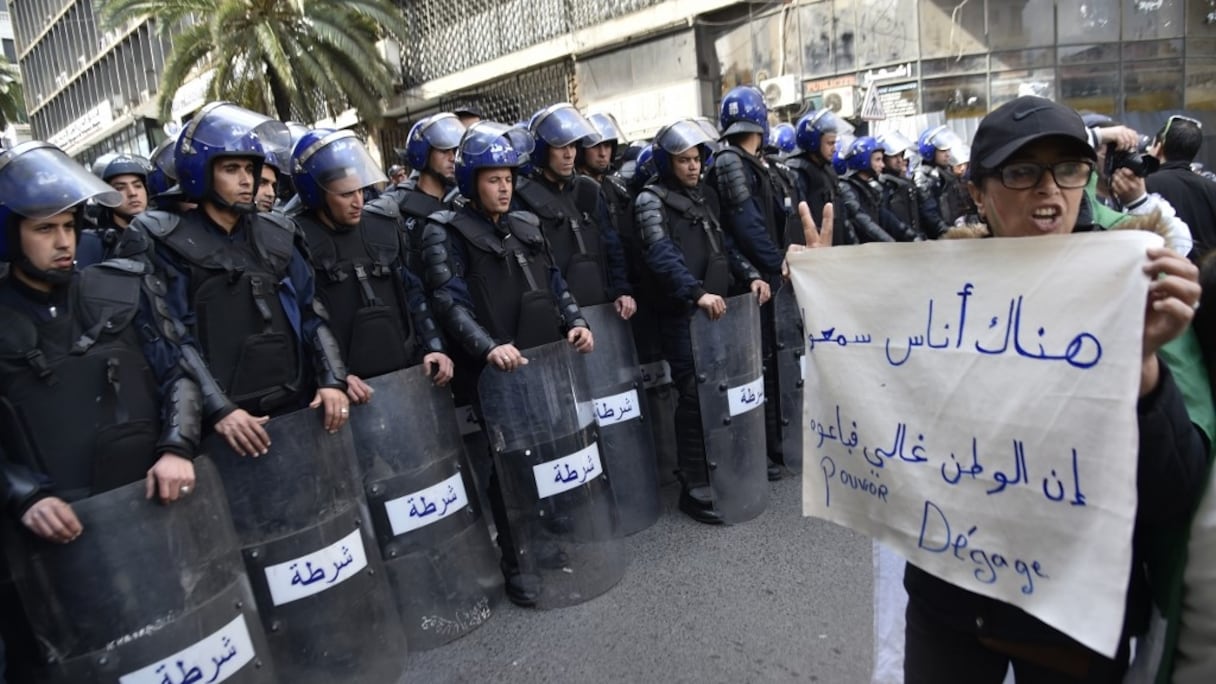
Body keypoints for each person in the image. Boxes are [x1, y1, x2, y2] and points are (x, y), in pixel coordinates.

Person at [902, 95, 1206, 683]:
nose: (1050, 190)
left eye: (1069, 169)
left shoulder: (1139, 282)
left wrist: (1143, 366)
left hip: (1071, 619)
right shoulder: (938, 290)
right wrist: (834, 298)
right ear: (978, 192)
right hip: (950, 603)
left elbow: (1179, 491)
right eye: (1022, 171)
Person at [0, 142, 201, 681]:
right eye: (45, 229)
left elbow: (177, 371)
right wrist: (23, 493)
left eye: (68, 225)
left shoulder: (119, 286)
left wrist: (176, 446)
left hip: (149, 504)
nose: (64, 240)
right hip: (59, 535)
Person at [418, 122, 593, 605]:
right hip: (497, 373)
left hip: (544, 362)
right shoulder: (444, 231)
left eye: (509, 179)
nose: (504, 187)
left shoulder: (526, 225)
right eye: (493, 179)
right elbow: (448, 303)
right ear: (472, 180)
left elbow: (555, 284)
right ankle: (518, 560)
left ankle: (547, 541)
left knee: (550, 454)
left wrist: (575, 322)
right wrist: (488, 347)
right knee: (510, 465)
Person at [128, 102, 351, 459]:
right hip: (227, 429)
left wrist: (333, 380)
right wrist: (219, 409)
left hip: (298, 409)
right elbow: (171, 338)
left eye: (250, 168)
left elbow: (312, 312)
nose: (247, 180)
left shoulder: (279, 232)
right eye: (232, 169)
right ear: (201, 171)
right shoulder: (163, 239)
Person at [634, 119, 770, 523]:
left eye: (696, 159)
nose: (693, 167)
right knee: (694, 396)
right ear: (666, 161)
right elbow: (660, 255)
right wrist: (696, 293)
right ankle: (694, 483)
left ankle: (720, 469)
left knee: (720, 392)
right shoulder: (650, 200)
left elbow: (723, 246)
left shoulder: (703, 197)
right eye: (683, 160)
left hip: (719, 313)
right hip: (683, 316)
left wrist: (750, 275)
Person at [291, 127, 453, 398]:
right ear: (316, 194)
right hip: (350, 392)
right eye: (345, 194)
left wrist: (434, 347)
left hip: (407, 378)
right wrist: (334, 377)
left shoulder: (384, 225)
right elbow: (305, 321)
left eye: (360, 191)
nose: (358, 201)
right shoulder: (298, 240)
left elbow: (413, 295)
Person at [706, 85, 793, 479]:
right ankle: (755, 452)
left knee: (771, 366)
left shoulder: (753, 161)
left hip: (766, 275)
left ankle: (773, 446)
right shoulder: (729, 161)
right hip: (749, 280)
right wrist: (775, 263)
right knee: (750, 371)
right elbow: (743, 222)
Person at [515, 103, 635, 320]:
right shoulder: (523, 197)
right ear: (543, 150)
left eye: (572, 146)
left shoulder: (587, 190)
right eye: (561, 147)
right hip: (559, 316)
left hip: (603, 308)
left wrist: (622, 290)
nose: (569, 154)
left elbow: (611, 245)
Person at [384, 112, 465, 270]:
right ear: (423, 155)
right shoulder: (401, 209)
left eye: (455, 151)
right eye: (444, 151)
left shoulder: (462, 201)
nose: (452, 158)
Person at [1147, 115, 1216, 261]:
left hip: (1163, 273)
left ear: (1159, 146)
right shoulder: (1211, 188)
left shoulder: (1143, 187)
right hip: (1205, 278)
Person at [838, 136, 921, 243]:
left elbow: (888, 218)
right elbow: (862, 220)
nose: (882, 165)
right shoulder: (847, 188)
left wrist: (911, 236)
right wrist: (889, 241)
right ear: (863, 160)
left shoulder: (871, 188)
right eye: (877, 160)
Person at [78, 152, 153, 266]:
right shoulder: (94, 245)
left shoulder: (167, 233)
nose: (132, 193)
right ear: (105, 195)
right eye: (120, 188)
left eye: (137, 186)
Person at [788, 110, 849, 246]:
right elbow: (798, 221)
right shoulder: (798, 172)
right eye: (830, 143)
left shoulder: (827, 169)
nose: (834, 149)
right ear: (813, 142)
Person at [914, 125, 973, 229]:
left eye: (947, 150)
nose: (947, 155)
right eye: (942, 151)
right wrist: (946, 231)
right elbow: (929, 212)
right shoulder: (923, 176)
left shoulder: (947, 173)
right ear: (930, 151)